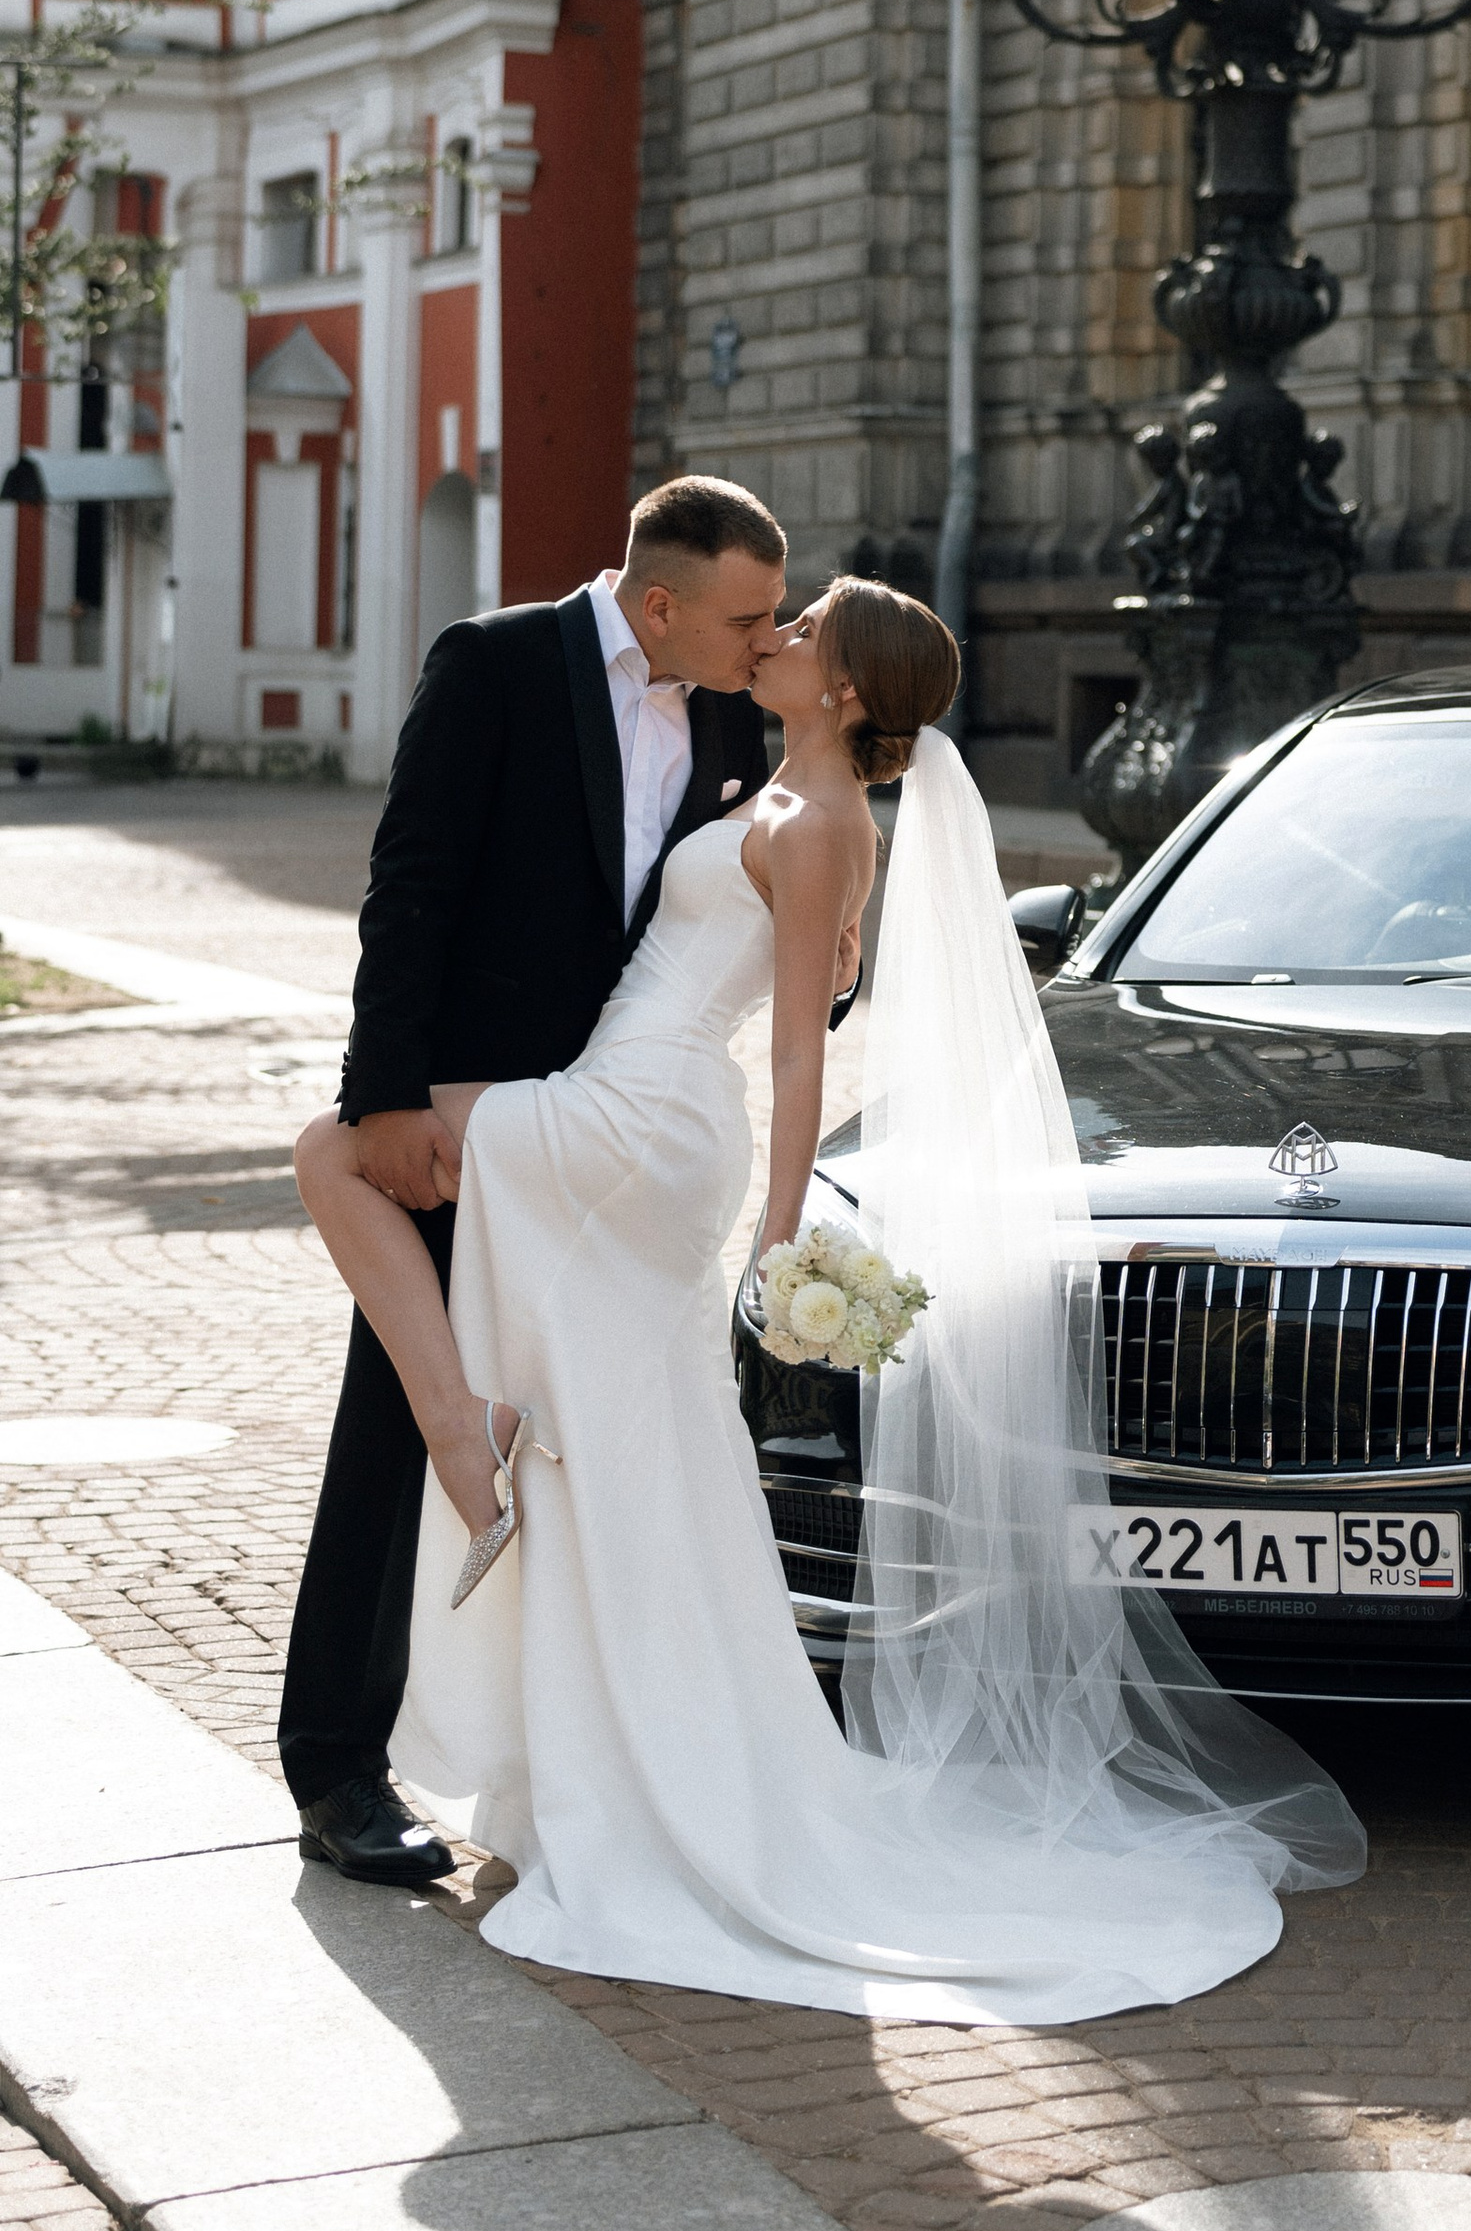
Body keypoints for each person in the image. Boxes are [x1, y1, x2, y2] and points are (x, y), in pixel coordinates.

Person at [293, 576, 1361, 2024]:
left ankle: (464, 1436)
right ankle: (515, 1530)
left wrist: (781, 1237)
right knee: (640, 1437)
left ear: (847, 690)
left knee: (334, 1154)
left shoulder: (827, 821)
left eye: (802, 632)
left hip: (645, 1125)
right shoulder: (771, 783)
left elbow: (800, 1053)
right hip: (623, 1100)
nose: (775, 638)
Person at [278, 476, 792, 1885]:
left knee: (597, 1439)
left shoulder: (744, 717)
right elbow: (415, 881)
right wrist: (385, 1091)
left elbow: (748, 928)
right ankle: (336, 1767)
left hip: (611, 1145)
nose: (770, 635)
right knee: (390, 1425)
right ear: (661, 600)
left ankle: (575, 1759)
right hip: (468, 1124)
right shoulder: (495, 662)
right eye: (748, 612)